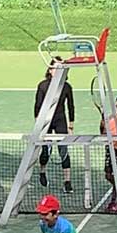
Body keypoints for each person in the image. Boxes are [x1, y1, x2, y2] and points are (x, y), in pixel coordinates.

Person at [35, 61, 75, 194]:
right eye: (54, 68)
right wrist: (38, 123)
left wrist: (71, 124)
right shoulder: (42, 86)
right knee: (45, 150)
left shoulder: (67, 87)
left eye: (60, 68)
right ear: (50, 70)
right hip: (45, 121)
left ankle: (67, 182)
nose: (57, 71)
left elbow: (70, 106)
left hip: (60, 120)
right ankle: (42, 172)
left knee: (63, 150)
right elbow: (38, 105)